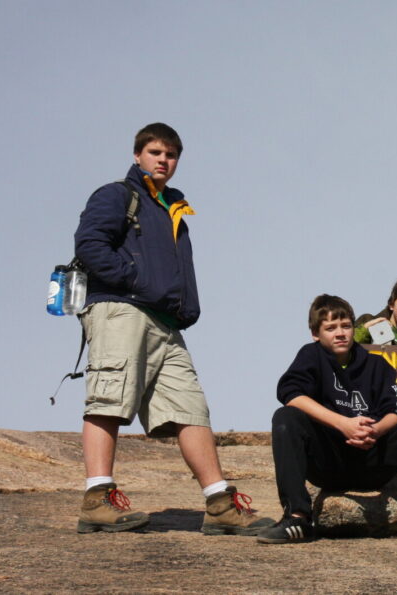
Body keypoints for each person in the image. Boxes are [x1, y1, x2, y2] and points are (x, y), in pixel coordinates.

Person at [73, 122, 272, 535]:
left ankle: (220, 504)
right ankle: (97, 499)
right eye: (155, 152)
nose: (164, 160)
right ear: (137, 155)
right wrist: (135, 279)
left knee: (191, 409)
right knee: (109, 397)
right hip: (121, 310)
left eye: (171, 155)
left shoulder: (172, 206)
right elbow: (90, 246)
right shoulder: (117, 194)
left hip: (166, 323)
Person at [262, 294, 397, 549]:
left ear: (354, 328)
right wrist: (342, 423)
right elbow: (290, 394)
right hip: (328, 463)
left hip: (372, 461)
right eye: (330, 328)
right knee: (285, 417)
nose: (340, 333)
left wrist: (375, 430)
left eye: (345, 326)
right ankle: (297, 518)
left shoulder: (376, 364)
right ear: (316, 334)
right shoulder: (311, 356)